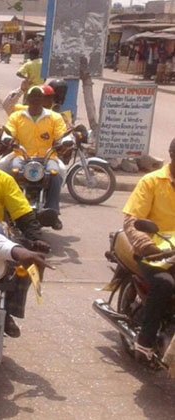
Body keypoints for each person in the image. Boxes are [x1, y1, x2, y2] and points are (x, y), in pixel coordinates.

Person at [121, 139, 175, 362]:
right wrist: (146, 245)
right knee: (165, 284)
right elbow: (132, 220)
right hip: (156, 253)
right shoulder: (151, 181)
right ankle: (145, 339)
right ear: (172, 153)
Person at [3, 86, 67, 228]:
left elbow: (61, 134)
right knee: (9, 172)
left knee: (56, 174)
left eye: (39, 96)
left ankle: (53, 212)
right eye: (33, 96)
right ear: (28, 99)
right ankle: (7, 208)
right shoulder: (17, 116)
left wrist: (62, 142)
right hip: (21, 155)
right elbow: (9, 131)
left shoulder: (55, 117)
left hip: (48, 157)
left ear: (43, 99)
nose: (36, 99)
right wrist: (8, 139)